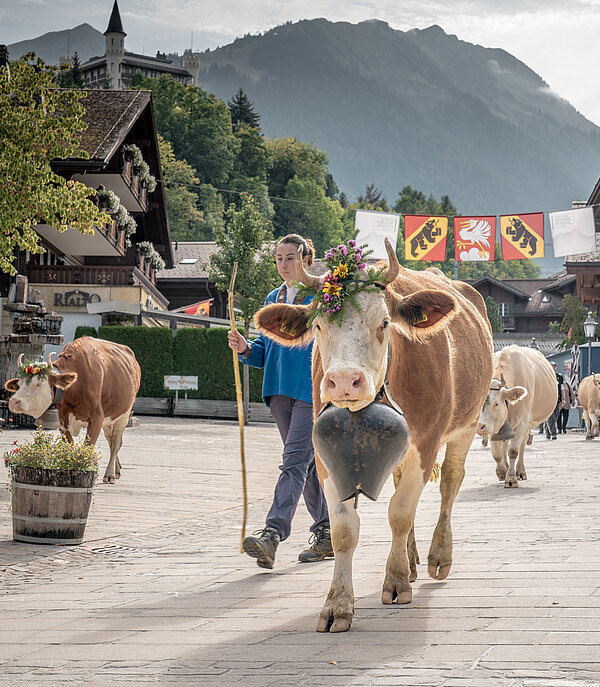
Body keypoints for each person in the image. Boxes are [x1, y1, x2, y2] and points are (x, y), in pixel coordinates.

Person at [227, 234, 332, 570]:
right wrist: (244, 348)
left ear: (307, 259)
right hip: (277, 392)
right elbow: (264, 350)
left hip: (309, 391)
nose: (284, 264)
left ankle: (273, 533)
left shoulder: (320, 296)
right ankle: (328, 530)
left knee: (294, 461)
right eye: (279, 259)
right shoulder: (273, 298)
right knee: (305, 463)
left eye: (290, 257)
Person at [545, 362, 565, 440]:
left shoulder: (559, 377)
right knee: (551, 416)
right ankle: (553, 433)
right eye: (552, 366)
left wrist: (563, 399)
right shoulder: (546, 377)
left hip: (557, 399)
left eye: (554, 366)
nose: (553, 368)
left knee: (556, 415)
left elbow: (562, 388)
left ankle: (547, 430)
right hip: (548, 399)